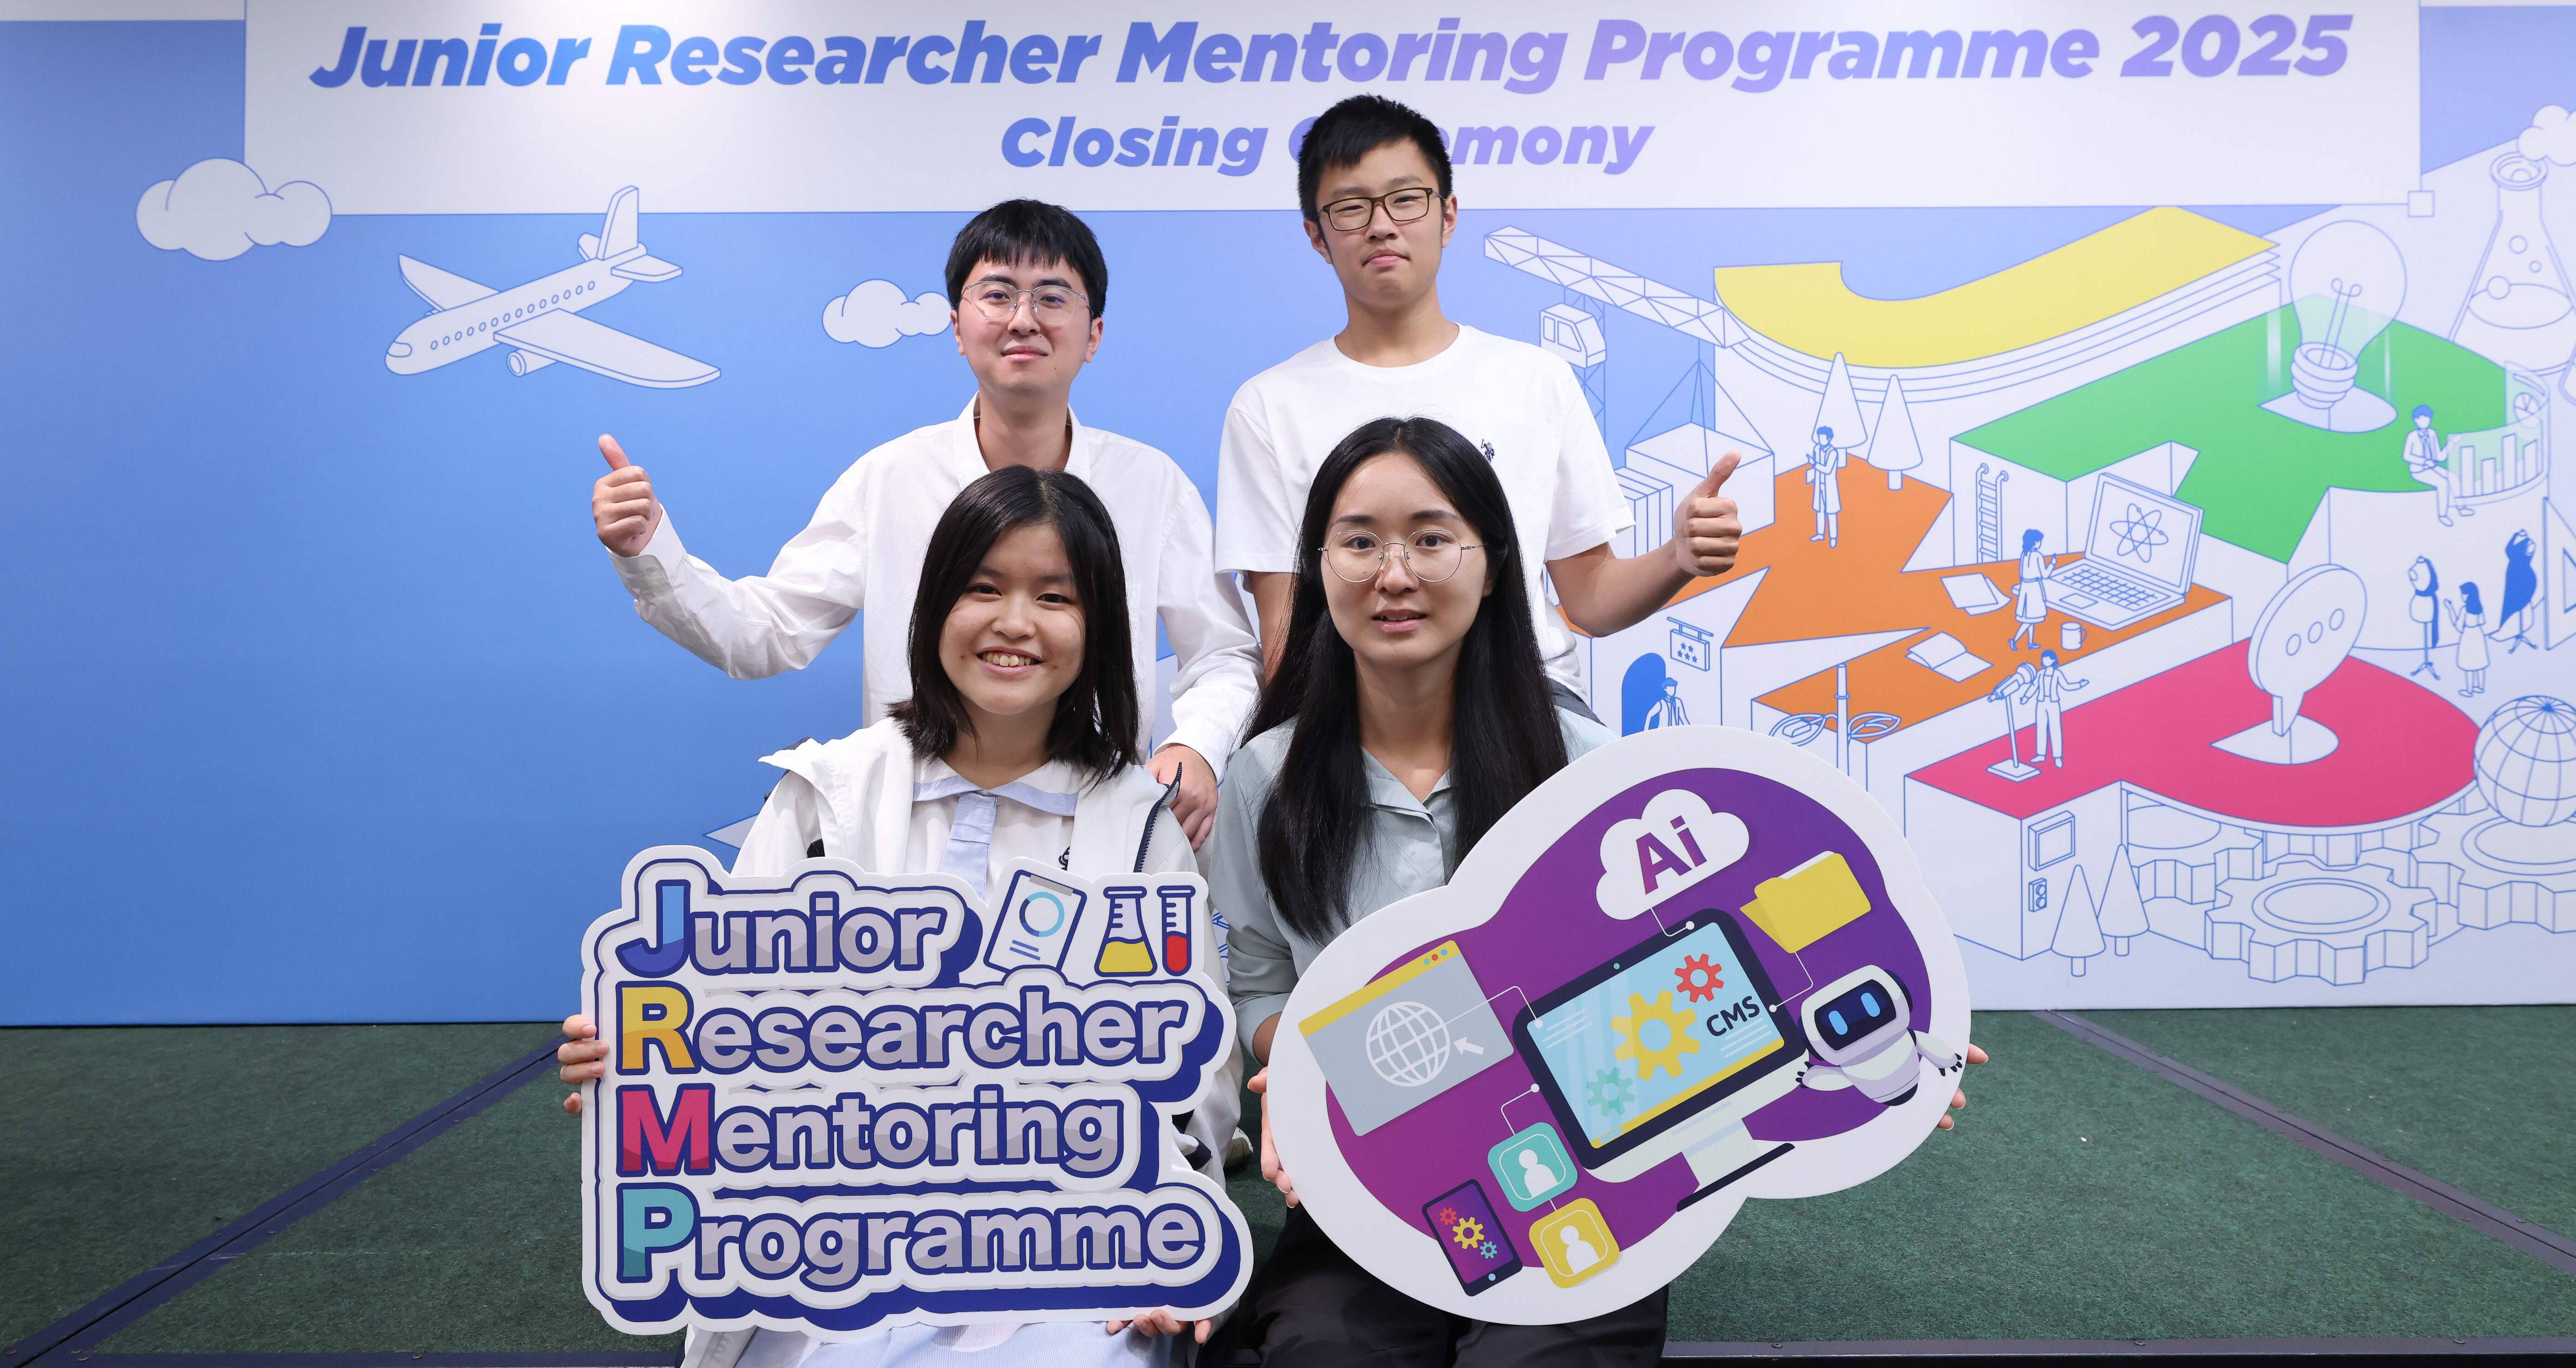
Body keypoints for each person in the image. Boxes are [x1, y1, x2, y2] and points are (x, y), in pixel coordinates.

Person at [1203, 417, 1984, 1368]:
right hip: (1374, 1181)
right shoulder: (1265, 776)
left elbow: (1701, 972)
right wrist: (1307, 1063)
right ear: (1320, 568)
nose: (1394, 572)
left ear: (1493, 565)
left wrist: (1888, 1054)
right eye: (1360, 540)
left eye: (1431, 537)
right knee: (1323, 1352)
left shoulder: (1589, 768)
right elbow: (1257, 974)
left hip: (1587, 1182)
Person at [559, 468, 1237, 1368]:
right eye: (983, 587)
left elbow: (1190, 1081)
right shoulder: (823, 797)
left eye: (1054, 595)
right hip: (838, 1254)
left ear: (1101, 627)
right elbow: (712, 1017)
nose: (1014, 621)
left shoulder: (1141, 821)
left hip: (1071, 1257)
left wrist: (1162, 1242)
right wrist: (642, 1068)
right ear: (931, 608)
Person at [593, 199, 1257, 848]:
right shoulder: (889, 479)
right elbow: (766, 634)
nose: (1024, 319)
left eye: (1053, 298)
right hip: (907, 842)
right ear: (957, 326)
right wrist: (652, 551)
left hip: (1092, 837)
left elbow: (1224, 653)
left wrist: (1194, 744)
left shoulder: (1152, 485)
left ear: (1095, 335)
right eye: (997, 294)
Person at [1214, 96, 1741, 722]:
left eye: (1407, 199)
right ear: (1317, 237)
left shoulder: (1535, 380)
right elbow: (1285, 637)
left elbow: (1591, 598)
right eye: (1351, 208)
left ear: (1449, 215)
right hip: (1359, 719)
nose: (1382, 225)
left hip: (1530, 705)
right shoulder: (1270, 405)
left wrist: (1676, 557)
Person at [2403, 405, 2465, 527]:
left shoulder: (2432, 433)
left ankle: (2461, 507)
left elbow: (2440, 457)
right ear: (2416, 420)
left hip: (2433, 467)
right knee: (2443, 483)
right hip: (2419, 470)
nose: (2425, 422)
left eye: (2428, 419)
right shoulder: (2412, 436)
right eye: (2422, 419)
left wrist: (2452, 443)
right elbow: (2407, 456)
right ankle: (2443, 515)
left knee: (2454, 477)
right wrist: (2424, 461)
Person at [2027, 650, 2088, 768]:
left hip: (2053, 703)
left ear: (2054, 660)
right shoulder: (2040, 674)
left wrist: (2080, 684)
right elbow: (2034, 686)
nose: (2045, 661)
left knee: (2055, 729)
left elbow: (2067, 686)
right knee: (2041, 728)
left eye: (2048, 659)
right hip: (2041, 703)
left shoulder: (2057, 674)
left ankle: (2058, 757)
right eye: (2044, 658)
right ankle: (2041, 755)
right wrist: (2026, 696)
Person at [2009, 529, 2052, 653]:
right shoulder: (2038, 556)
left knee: (2030, 619)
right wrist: (2053, 564)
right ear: (2035, 542)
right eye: (2039, 541)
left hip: (2025, 587)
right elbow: (2045, 575)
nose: (2040, 543)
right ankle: (2015, 640)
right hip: (2034, 589)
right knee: (2029, 620)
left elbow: (2021, 574)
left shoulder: (2025, 554)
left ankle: (2031, 642)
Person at [2448, 582, 2491, 697]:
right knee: (2480, 663)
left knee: (2469, 664)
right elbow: (2482, 621)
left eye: (2463, 594)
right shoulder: (2479, 608)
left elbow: (2458, 626)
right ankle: (2481, 687)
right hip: (2479, 634)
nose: (2462, 596)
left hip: (2468, 635)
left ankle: (2469, 690)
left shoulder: (2464, 610)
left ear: (2467, 595)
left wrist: (2450, 609)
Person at [1807, 425, 1847, 547]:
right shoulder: (1817, 449)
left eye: (1823, 438)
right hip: (1819, 484)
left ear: (1829, 439)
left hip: (1829, 486)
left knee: (1831, 513)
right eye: (1819, 437)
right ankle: (1820, 534)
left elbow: (1828, 469)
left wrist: (1814, 464)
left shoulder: (1833, 453)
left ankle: (1833, 538)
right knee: (1819, 510)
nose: (1821, 440)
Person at [2407, 555, 2442, 680]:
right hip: (2420, 603)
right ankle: (2426, 660)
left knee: (2428, 628)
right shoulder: (2420, 568)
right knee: (2425, 631)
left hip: (2427, 604)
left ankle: (2427, 661)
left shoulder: (2424, 569)